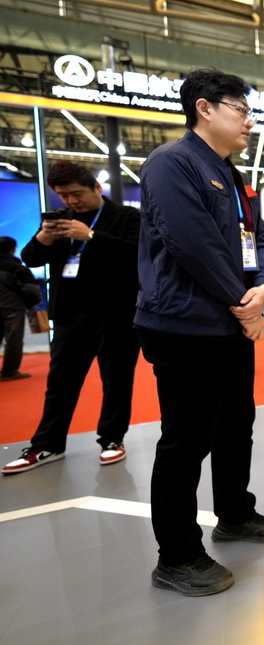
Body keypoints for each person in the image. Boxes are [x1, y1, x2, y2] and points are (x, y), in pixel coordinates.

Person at [135, 67, 264, 597]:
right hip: (186, 326)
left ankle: (235, 513)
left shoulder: (234, 176)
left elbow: (259, 239)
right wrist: (245, 307)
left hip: (230, 322)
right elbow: (192, 243)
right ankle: (176, 555)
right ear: (204, 108)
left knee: (234, 426)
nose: (249, 121)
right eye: (241, 109)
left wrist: (263, 287)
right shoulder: (172, 163)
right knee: (186, 440)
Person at [2, 161, 140, 474]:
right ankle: (47, 444)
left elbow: (137, 255)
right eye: (63, 195)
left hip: (116, 314)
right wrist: (44, 238)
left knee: (117, 381)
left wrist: (90, 235)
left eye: (77, 194)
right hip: (70, 314)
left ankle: (112, 439)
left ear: (97, 188)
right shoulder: (60, 219)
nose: (71, 201)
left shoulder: (127, 217)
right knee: (60, 382)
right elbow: (30, 258)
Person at [0, 236, 40, 382]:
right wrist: (32, 303)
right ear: (13, 249)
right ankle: (9, 371)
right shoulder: (18, 268)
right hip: (12, 307)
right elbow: (32, 290)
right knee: (14, 339)